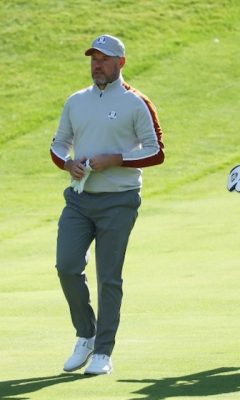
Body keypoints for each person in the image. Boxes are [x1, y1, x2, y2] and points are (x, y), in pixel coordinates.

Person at [50, 34, 165, 375]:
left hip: (119, 201)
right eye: (93, 59)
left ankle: (103, 350)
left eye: (104, 59)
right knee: (67, 266)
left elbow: (156, 150)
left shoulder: (136, 102)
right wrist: (67, 163)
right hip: (80, 198)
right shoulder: (76, 101)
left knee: (109, 278)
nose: (97, 65)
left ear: (121, 63)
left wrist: (117, 159)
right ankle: (86, 333)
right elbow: (58, 144)